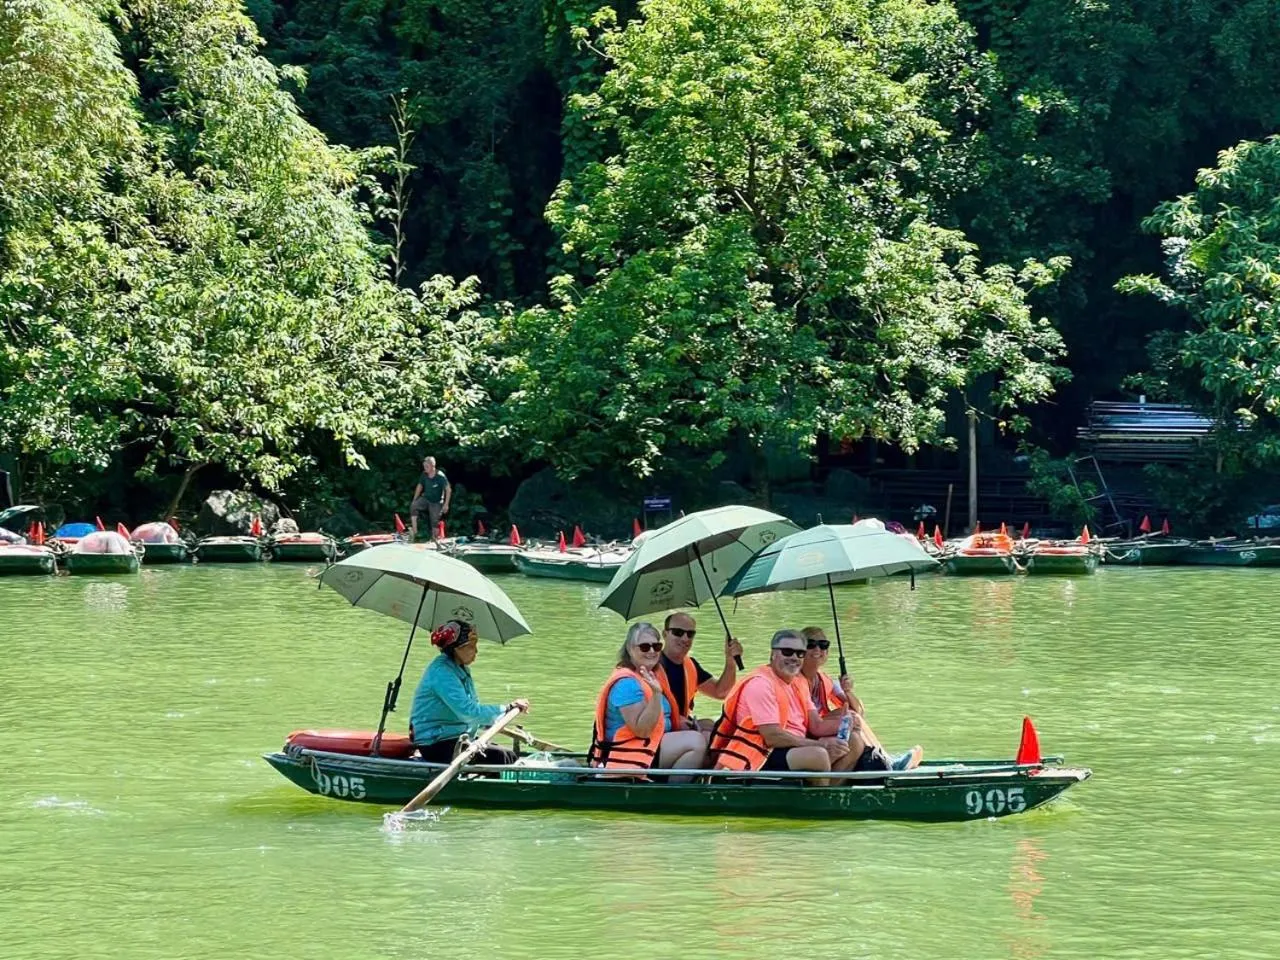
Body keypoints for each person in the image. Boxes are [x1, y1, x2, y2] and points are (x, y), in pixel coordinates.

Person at [708, 629, 862, 785]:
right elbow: (772, 736)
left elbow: (816, 725)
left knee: (854, 742)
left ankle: (828, 792)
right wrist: (820, 745)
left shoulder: (799, 682)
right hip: (760, 752)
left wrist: (845, 723)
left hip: (790, 745)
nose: (794, 657)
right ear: (773, 654)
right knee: (818, 755)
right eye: (787, 652)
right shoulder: (761, 684)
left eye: (800, 653)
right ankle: (822, 795)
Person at [588, 622, 707, 779]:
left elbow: (660, 717)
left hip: (651, 744)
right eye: (644, 647)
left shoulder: (651, 675)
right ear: (630, 649)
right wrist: (657, 694)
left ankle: (702, 782)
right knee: (696, 742)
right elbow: (642, 731)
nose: (652, 651)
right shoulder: (626, 684)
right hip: (629, 752)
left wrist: (682, 723)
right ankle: (672, 790)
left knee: (708, 733)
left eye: (656, 647)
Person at [800, 626, 922, 772]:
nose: (817, 649)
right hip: (807, 731)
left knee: (853, 715)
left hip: (821, 727)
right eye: (811, 644)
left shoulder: (825, 679)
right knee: (851, 717)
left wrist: (848, 691)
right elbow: (813, 725)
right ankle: (885, 761)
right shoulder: (797, 680)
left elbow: (859, 710)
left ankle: (882, 758)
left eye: (823, 645)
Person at [409, 619, 529, 765]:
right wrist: (507, 708)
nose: (476, 651)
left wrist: (493, 720)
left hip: (455, 736)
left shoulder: (460, 669)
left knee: (507, 755)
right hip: (435, 743)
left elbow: (473, 711)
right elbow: (468, 713)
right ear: (457, 649)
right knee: (502, 756)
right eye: (471, 646)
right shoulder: (442, 673)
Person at [656, 612, 743, 732]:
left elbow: (721, 692)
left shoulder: (690, 665)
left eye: (690, 634)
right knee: (704, 734)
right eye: (678, 632)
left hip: (684, 726)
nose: (685, 638)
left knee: (715, 728)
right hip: (660, 728)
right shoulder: (651, 665)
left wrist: (730, 661)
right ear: (665, 634)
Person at [410, 456, 451, 541]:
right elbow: (420, 486)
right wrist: (415, 499)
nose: (425, 468)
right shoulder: (424, 474)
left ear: (433, 466)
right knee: (414, 506)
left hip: (437, 501)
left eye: (427, 466)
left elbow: (448, 489)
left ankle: (434, 539)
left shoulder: (440, 476)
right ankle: (415, 533)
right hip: (426, 498)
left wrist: (446, 504)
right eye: (424, 466)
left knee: (434, 522)